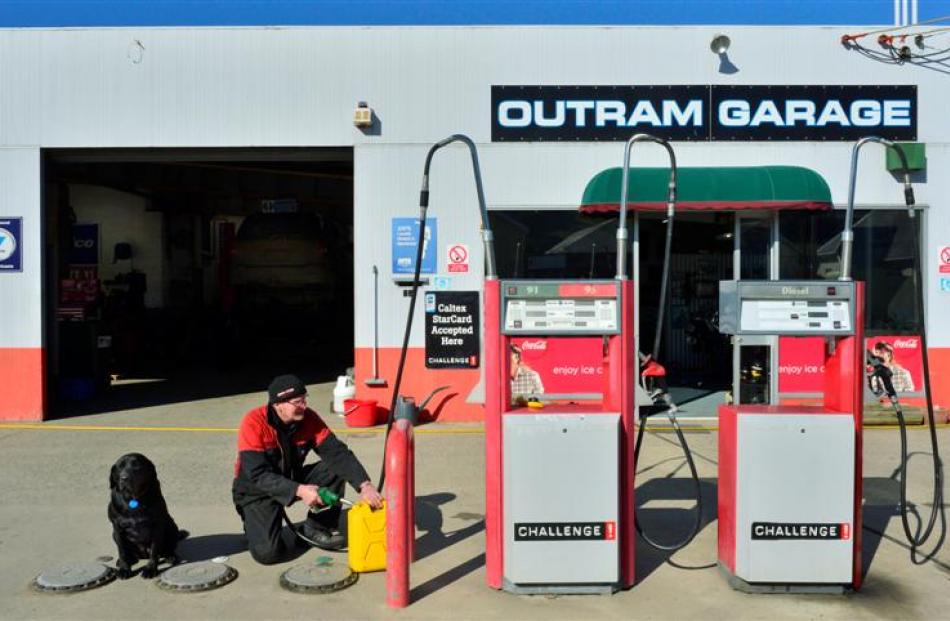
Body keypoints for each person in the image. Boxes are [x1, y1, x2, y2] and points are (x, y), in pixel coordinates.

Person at [232, 374, 383, 564]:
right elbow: (258, 474)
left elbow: (337, 453)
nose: (303, 405)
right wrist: (300, 490)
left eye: (304, 399)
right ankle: (253, 522)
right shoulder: (254, 422)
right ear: (278, 404)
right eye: (297, 402)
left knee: (334, 469)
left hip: (291, 477)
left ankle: (316, 528)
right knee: (269, 554)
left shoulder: (309, 418)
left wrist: (365, 485)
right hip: (256, 490)